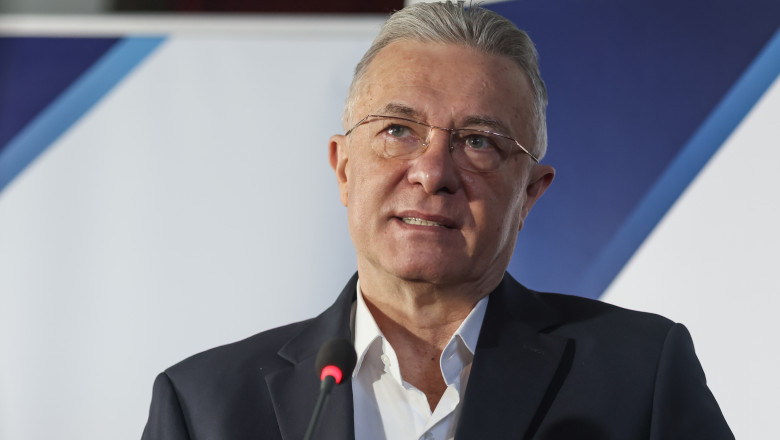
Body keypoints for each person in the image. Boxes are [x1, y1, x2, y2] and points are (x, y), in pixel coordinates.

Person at [142, 2, 733, 439]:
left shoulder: (640, 375)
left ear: (529, 194)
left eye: (478, 142)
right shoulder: (204, 406)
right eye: (398, 130)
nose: (431, 172)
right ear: (344, 168)